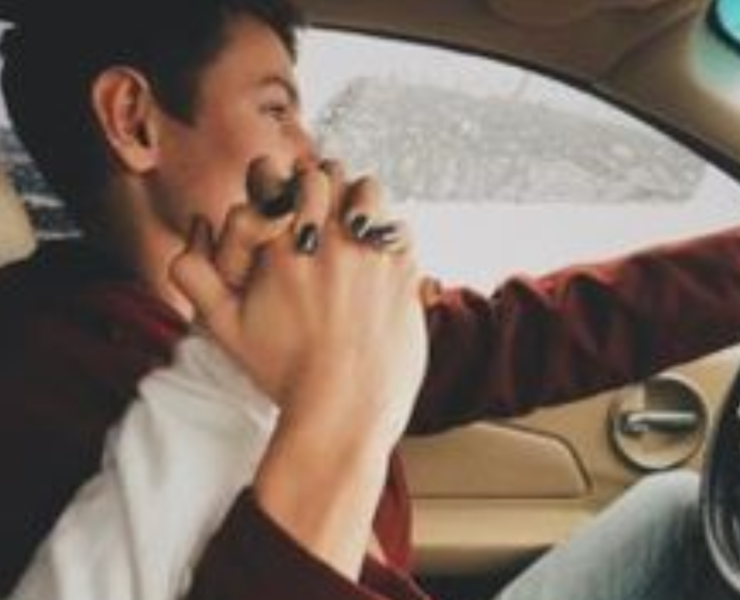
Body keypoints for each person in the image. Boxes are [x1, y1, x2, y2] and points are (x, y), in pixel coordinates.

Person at [1, 0, 740, 598]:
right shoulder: (48, 386)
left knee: (676, 515)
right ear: (133, 118)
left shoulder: (265, 321)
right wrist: (341, 403)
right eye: (275, 110)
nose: (312, 152)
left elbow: (515, 336)